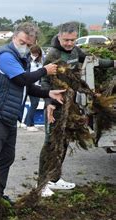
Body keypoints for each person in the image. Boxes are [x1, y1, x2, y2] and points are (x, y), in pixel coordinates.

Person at [0, 22, 65, 219]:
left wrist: (48, 92)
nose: (24, 46)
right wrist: (45, 71)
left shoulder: (21, 57)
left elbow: (26, 88)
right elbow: (23, 80)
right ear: (15, 37)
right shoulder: (6, 56)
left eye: (28, 44)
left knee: (7, 158)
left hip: (10, 117)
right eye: (22, 41)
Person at [38, 22, 116, 197]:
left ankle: (55, 179)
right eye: (66, 40)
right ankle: (41, 185)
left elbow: (91, 60)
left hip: (70, 104)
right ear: (59, 37)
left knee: (64, 141)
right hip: (55, 104)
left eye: (72, 40)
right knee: (51, 144)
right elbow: (44, 80)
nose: (69, 43)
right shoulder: (53, 54)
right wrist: (48, 102)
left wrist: (113, 62)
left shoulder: (74, 51)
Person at [23, 45, 44, 132]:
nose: (35, 55)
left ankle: (25, 122)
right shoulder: (28, 61)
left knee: (34, 103)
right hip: (29, 85)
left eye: (36, 54)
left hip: (37, 85)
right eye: (33, 53)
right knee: (34, 103)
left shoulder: (40, 61)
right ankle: (29, 124)